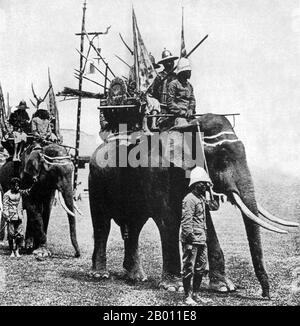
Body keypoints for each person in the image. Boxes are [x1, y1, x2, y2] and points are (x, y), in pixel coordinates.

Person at [181, 167, 213, 305]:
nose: (205, 185)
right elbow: (186, 222)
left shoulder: (201, 199)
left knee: (201, 268)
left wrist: (210, 193)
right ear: (195, 184)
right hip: (192, 240)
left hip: (201, 240)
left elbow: (214, 206)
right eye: (203, 183)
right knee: (189, 267)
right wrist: (188, 241)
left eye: (206, 183)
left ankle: (195, 294)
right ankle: (187, 296)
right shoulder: (189, 199)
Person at [2, 177, 31, 258]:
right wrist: (6, 216)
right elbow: (5, 206)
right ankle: (11, 251)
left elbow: (28, 191)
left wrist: (34, 185)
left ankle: (17, 250)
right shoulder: (7, 195)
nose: (17, 187)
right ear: (11, 186)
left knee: (20, 235)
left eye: (18, 186)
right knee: (11, 235)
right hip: (11, 217)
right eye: (15, 186)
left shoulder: (19, 193)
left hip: (19, 216)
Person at [167, 57, 196, 127]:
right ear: (182, 72)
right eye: (188, 71)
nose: (190, 73)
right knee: (185, 127)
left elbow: (192, 100)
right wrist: (181, 112)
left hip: (189, 115)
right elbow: (170, 102)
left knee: (199, 127)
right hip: (177, 116)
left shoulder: (189, 86)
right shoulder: (173, 84)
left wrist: (191, 109)